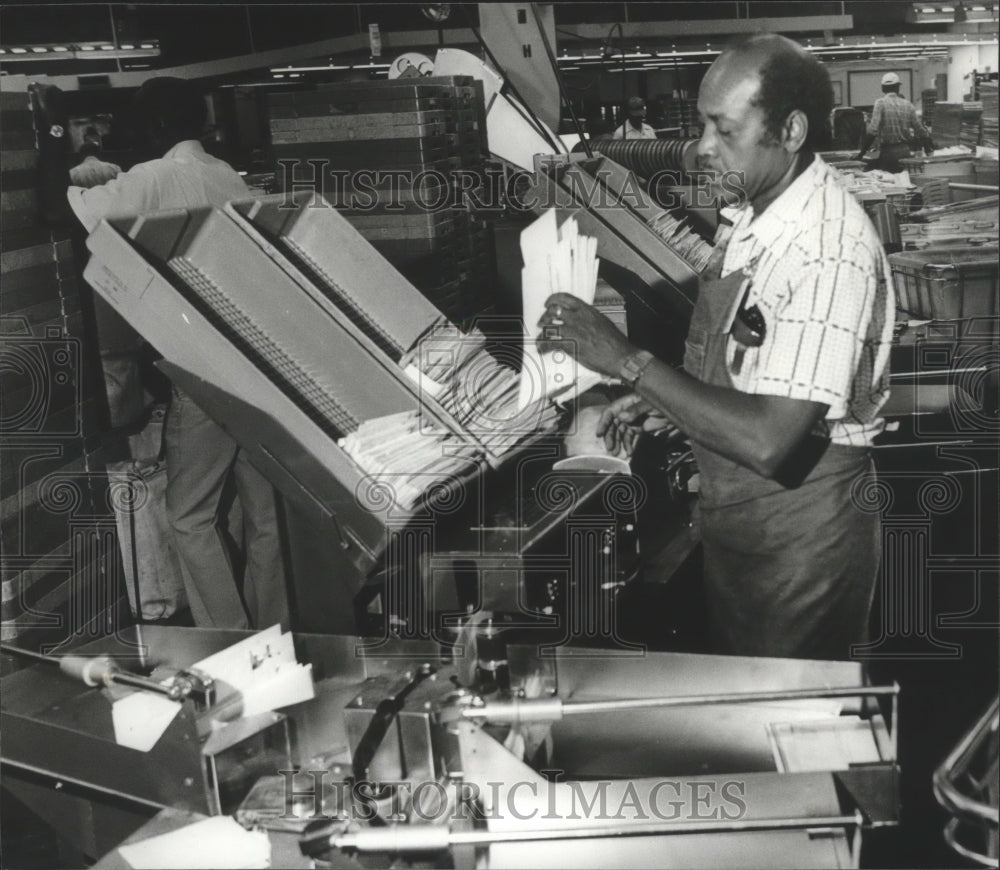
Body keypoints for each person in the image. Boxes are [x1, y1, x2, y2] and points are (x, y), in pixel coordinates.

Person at [538, 34, 895, 660]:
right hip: (747, 526)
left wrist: (627, 361)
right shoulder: (758, 214)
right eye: (703, 125)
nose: (702, 147)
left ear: (789, 130)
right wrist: (673, 406)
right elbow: (754, 370)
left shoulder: (826, 246)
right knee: (745, 717)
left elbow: (769, 438)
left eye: (723, 130)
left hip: (801, 534)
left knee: (789, 723)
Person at [37, 77, 290, 631]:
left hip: (203, 370)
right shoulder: (228, 176)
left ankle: (230, 646)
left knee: (190, 515)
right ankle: (279, 639)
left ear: (153, 128)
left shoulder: (153, 179)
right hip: (256, 366)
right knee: (263, 515)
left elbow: (58, 210)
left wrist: (55, 129)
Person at [857, 72, 934, 172]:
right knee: (906, 181)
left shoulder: (880, 103)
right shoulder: (908, 104)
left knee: (891, 184)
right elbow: (921, 130)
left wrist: (861, 154)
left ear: (883, 88)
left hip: (889, 154)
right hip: (906, 153)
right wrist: (928, 149)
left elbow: (873, 131)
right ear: (898, 88)